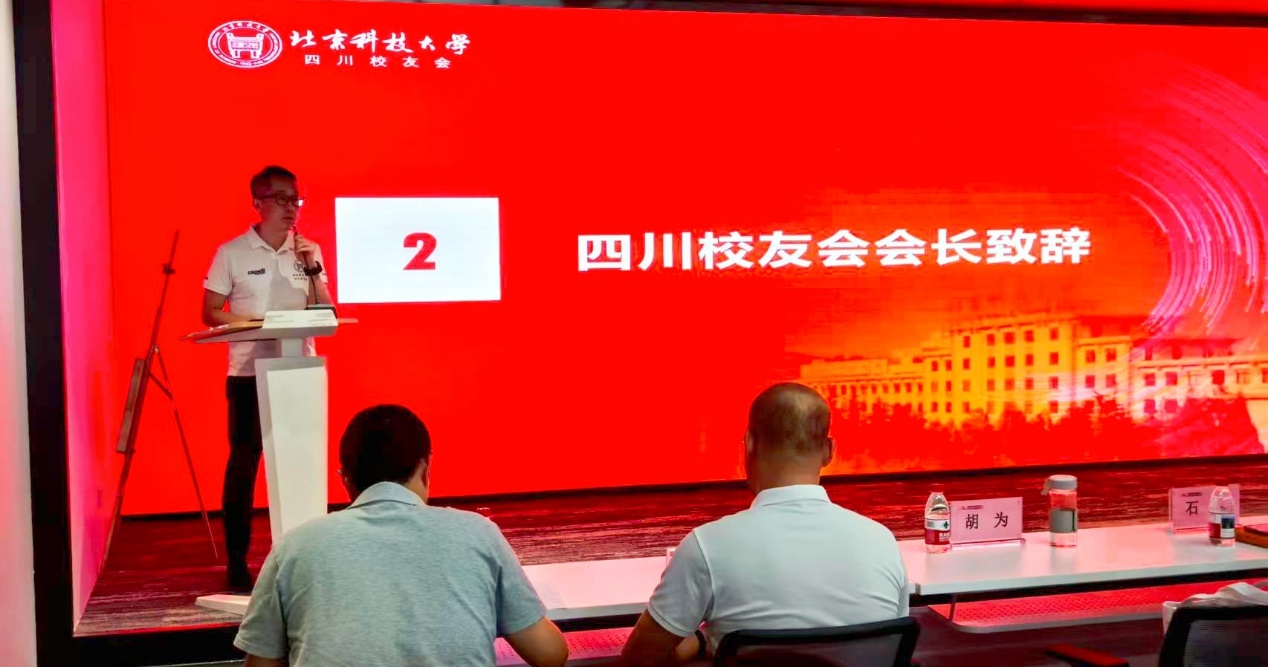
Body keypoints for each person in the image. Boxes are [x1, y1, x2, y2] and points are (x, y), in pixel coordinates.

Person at [234, 404, 569, 667]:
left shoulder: (294, 547)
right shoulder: (479, 533)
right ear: (425, 468)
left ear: (344, 478)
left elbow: (261, 662)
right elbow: (549, 654)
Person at [622, 382, 909, 666]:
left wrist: (702, 642)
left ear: (749, 444)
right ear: (829, 451)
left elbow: (638, 659)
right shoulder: (882, 542)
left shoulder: (707, 547)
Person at [202, 165, 335, 591]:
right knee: (244, 466)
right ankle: (237, 561)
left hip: (298, 371)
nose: (291, 207)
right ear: (257, 203)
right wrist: (257, 324)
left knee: (301, 465)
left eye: (295, 199)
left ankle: (305, 557)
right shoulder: (233, 252)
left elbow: (325, 311)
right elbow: (211, 311)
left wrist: (311, 268)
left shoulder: (308, 251)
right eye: (280, 198)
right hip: (248, 374)